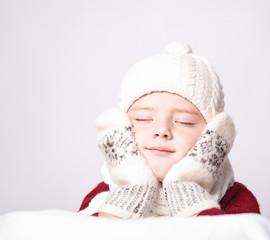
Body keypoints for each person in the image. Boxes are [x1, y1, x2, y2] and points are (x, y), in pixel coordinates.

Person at [78, 42, 260, 218]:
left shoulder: (234, 199)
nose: (162, 130)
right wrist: (129, 193)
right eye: (144, 119)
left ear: (213, 136)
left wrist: (188, 191)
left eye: (184, 121)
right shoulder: (101, 197)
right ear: (121, 129)